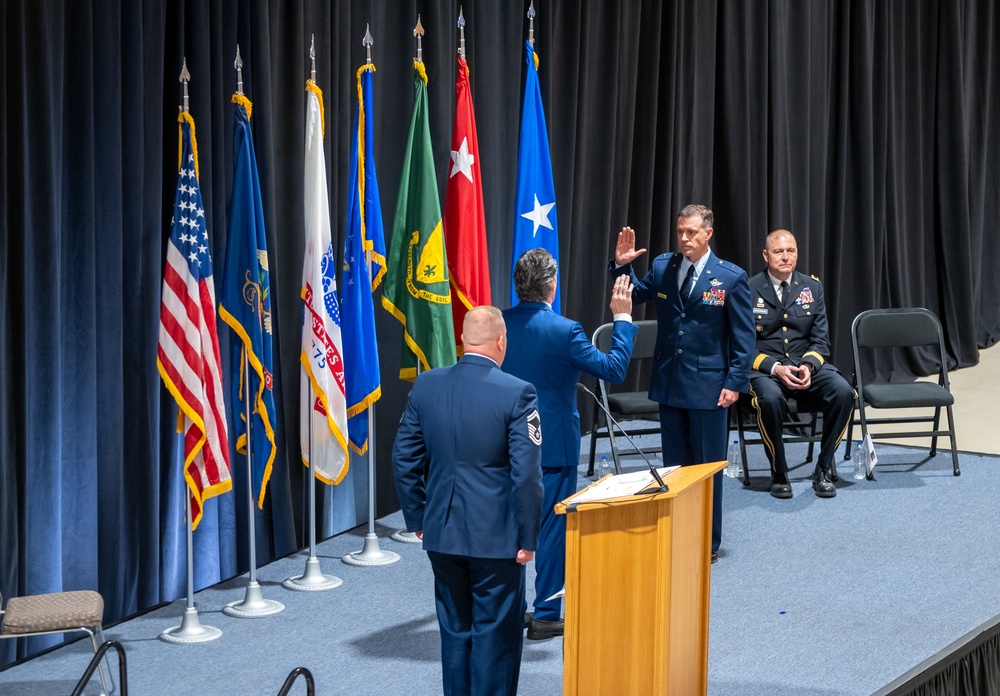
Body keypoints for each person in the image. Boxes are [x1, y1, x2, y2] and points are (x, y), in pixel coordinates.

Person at [392, 305, 543, 696]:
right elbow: (526, 475)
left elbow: (404, 458)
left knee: (455, 632)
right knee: (496, 636)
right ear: (501, 341)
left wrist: (419, 518)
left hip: (441, 534)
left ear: (463, 340)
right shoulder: (517, 392)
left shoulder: (426, 385)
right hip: (496, 541)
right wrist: (529, 538)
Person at [502, 248, 637, 641]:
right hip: (554, 447)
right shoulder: (566, 330)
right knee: (552, 530)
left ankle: (511, 612)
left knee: (511, 529)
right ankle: (546, 614)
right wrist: (623, 318)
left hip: (507, 445)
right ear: (552, 286)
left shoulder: (498, 325)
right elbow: (613, 369)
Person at [610, 204, 755, 562]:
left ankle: (707, 541)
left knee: (706, 468)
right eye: (680, 232)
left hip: (710, 386)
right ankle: (676, 531)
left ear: (708, 233)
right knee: (674, 466)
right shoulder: (663, 266)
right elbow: (635, 295)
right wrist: (623, 266)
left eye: (691, 232)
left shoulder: (730, 277)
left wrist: (735, 381)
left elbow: (743, 336)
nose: (685, 239)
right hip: (671, 382)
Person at [747, 229, 855, 499]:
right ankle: (779, 472)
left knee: (844, 393)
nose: (785, 257)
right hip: (766, 370)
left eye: (791, 251)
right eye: (778, 251)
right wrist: (775, 368)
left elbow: (821, 341)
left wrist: (808, 366)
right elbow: (739, 345)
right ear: (765, 255)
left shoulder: (811, 287)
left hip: (804, 367)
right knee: (770, 400)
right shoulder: (747, 289)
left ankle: (823, 469)